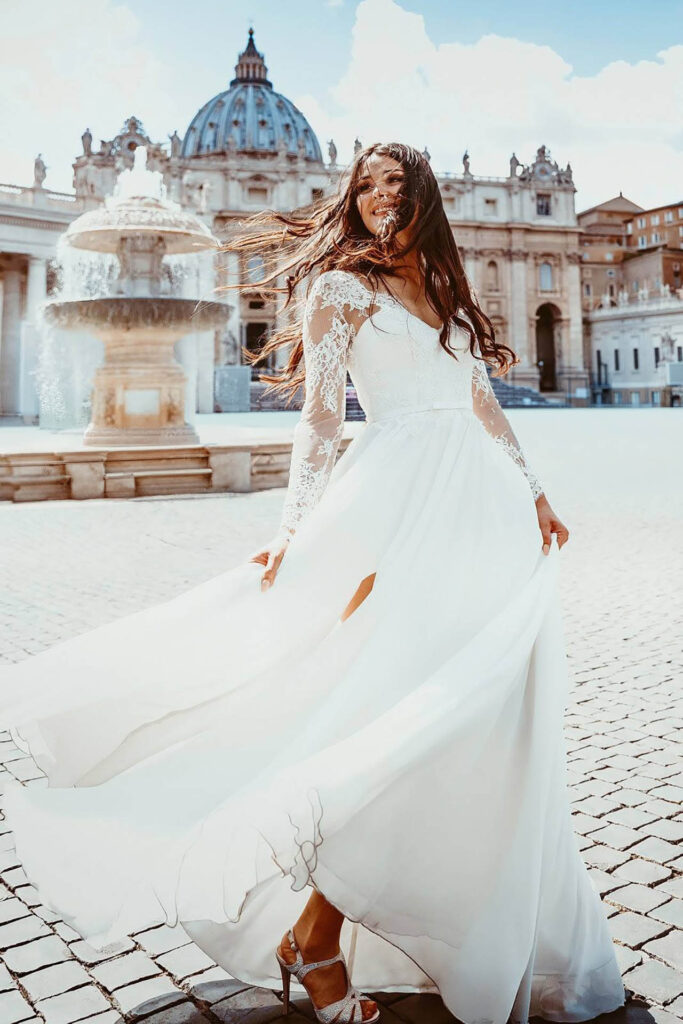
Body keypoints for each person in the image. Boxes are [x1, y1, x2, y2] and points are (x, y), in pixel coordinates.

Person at [0, 143, 626, 1024]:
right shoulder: (337, 288)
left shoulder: (442, 287)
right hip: (401, 499)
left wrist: (534, 492)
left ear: (424, 201)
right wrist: (294, 527)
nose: (378, 198)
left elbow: (478, 394)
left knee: (486, 718)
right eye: (365, 184)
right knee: (404, 712)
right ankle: (316, 938)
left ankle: (369, 931)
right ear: (350, 195)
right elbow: (322, 417)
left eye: (395, 186)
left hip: (481, 509)